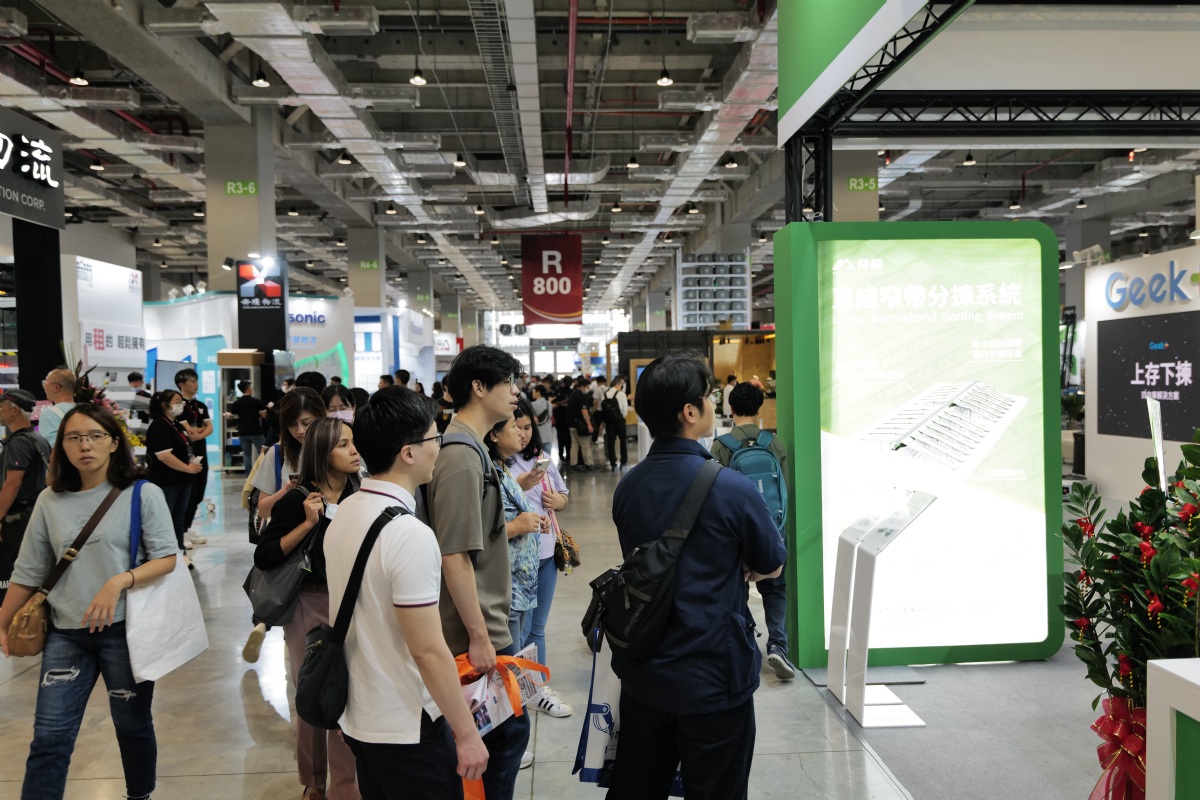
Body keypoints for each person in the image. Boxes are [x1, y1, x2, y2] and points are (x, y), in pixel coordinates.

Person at [607, 354, 785, 800]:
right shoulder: (732, 488)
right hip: (713, 678)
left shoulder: (629, 486)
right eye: (708, 396)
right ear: (689, 412)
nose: (712, 402)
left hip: (645, 674)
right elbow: (772, 563)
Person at [0, 404, 179, 800]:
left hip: (125, 632)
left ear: (114, 443)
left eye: (96, 436)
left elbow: (167, 557)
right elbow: (28, 571)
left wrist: (120, 581)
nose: (85, 445)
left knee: (132, 726)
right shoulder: (50, 500)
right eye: (74, 438)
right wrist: (2, 621)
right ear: (61, 447)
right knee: (49, 737)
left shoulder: (142, 494)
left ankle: (139, 795)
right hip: (66, 634)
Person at [327, 387, 488, 797]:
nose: (439, 447)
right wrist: (467, 733)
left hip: (360, 715)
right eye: (435, 437)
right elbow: (427, 651)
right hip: (406, 725)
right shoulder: (408, 534)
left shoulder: (346, 511)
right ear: (409, 453)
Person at [426, 344, 530, 798]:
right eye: (508, 383)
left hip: (487, 620)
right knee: (503, 739)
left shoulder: (474, 449)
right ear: (479, 387)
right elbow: (454, 555)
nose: (515, 392)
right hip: (475, 629)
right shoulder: (461, 456)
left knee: (504, 736)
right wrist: (479, 636)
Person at [255, 417, 362, 800]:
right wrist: (305, 524)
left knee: (349, 696)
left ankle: (346, 788)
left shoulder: (361, 494)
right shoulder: (298, 499)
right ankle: (313, 780)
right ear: (321, 452)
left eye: (353, 442)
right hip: (311, 602)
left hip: (356, 602)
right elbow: (265, 556)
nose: (354, 451)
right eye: (342, 444)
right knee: (313, 693)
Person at [710, 382, 795, 680]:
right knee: (775, 588)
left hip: (737, 535)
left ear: (731, 408)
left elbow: (717, 495)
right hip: (773, 529)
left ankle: (745, 645)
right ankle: (778, 646)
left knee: (738, 590)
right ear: (759, 408)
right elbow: (784, 491)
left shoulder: (721, 446)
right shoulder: (774, 444)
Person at [244, 387, 326, 662]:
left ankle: (264, 623)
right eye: (292, 425)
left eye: (306, 423)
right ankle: (265, 621)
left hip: (326, 546)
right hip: (290, 544)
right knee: (289, 601)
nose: (300, 431)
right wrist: (287, 491)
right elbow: (263, 508)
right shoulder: (278, 454)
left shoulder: (336, 449)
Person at [507, 399, 572, 718]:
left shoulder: (541, 459)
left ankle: (536, 688)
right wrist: (519, 485)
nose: (522, 434)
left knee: (537, 627)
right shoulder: (498, 465)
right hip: (517, 561)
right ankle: (519, 689)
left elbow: (563, 495)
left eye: (527, 427)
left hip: (546, 553)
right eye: (515, 427)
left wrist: (557, 501)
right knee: (518, 629)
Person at [483, 410, 546, 667]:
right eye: (514, 427)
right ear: (494, 434)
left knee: (520, 653)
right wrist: (518, 526)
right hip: (507, 589)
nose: (521, 433)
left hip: (522, 586)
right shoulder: (488, 473)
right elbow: (482, 533)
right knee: (511, 665)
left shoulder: (503, 469)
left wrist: (532, 521)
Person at [0, 390, 51, 604]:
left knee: (19, 573)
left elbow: (13, 483)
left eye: (1, 407)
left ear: (14, 411)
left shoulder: (18, 442)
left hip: (19, 518)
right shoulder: (38, 438)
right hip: (34, 512)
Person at [145, 390, 203, 566]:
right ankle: (165, 555)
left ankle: (180, 552)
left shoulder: (175, 424)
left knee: (179, 519)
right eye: (177, 401)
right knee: (165, 519)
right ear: (165, 405)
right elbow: (164, 456)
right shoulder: (159, 426)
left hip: (182, 480)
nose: (181, 405)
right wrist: (187, 468)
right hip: (167, 481)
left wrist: (192, 463)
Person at [174, 369, 211, 549]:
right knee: (190, 492)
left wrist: (199, 434)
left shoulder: (200, 405)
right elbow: (188, 431)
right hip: (187, 453)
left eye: (196, 381)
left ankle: (187, 529)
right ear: (182, 384)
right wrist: (197, 432)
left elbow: (209, 428)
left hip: (201, 450)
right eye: (192, 381)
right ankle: (180, 532)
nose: (196, 384)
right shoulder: (178, 405)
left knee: (199, 492)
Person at [225, 381, 267, 474]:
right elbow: (264, 415)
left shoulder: (237, 403)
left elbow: (231, 416)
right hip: (256, 431)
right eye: (251, 387)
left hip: (243, 432)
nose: (252, 389)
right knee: (263, 452)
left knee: (247, 455)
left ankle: (248, 475)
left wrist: (228, 415)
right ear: (248, 388)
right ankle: (263, 473)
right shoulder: (257, 402)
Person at [38, 366, 78, 449]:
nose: (44, 386)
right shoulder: (84, 410)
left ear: (56, 387)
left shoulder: (50, 414)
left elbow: (51, 449)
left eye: (45, 382)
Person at [602, 376, 630, 473]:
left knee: (610, 443)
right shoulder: (621, 394)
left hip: (609, 422)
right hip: (619, 421)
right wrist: (620, 417)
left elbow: (602, 409)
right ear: (618, 384)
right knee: (623, 442)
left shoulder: (605, 394)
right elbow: (625, 410)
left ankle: (613, 464)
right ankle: (623, 463)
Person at [567, 377, 595, 471]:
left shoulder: (573, 395)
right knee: (585, 445)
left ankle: (573, 464)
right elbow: (584, 411)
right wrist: (589, 424)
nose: (588, 389)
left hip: (572, 424)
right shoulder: (582, 396)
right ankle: (589, 464)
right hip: (580, 425)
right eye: (587, 387)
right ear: (583, 386)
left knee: (574, 445)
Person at [529, 385, 553, 451]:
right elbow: (550, 416)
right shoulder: (549, 404)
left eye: (534, 391)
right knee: (547, 455)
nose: (532, 393)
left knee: (538, 455)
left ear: (538, 392)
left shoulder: (533, 404)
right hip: (548, 435)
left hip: (537, 435)